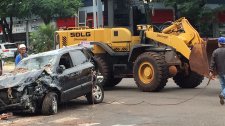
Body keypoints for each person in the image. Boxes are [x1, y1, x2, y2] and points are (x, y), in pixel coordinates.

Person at [210, 37, 225, 105]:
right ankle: (222, 94)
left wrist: (211, 71)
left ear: (219, 43)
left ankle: (223, 96)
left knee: (223, 85)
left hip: (220, 72)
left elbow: (212, 63)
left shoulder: (215, 51)